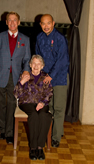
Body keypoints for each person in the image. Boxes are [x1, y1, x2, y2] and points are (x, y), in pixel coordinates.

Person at [0, 11, 31, 144]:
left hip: (15, 77)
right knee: (0, 104)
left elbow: (27, 59)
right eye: (9, 20)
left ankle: (9, 133)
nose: (12, 22)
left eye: (15, 20)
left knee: (12, 104)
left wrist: (25, 71)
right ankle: (2, 130)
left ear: (18, 22)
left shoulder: (25, 39)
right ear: (6, 22)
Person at [35, 14, 69, 148]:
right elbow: (38, 57)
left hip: (59, 79)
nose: (46, 26)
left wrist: (51, 76)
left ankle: (56, 137)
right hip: (45, 79)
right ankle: (49, 133)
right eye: (43, 23)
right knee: (48, 108)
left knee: (58, 108)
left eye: (48, 23)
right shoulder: (39, 38)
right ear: (40, 25)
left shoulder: (60, 38)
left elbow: (63, 60)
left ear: (53, 23)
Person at [14, 55, 53, 160]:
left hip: (41, 103)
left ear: (42, 66)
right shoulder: (25, 75)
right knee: (34, 115)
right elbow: (16, 94)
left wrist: (43, 102)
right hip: (26, 103)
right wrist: (21, 83)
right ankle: (33, 147)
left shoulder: (46, 77)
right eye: (34, 63)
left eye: (38, 64)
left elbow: (49, 93)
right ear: (30, 65)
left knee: (45, 116)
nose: (36, 66)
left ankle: (40, 147)